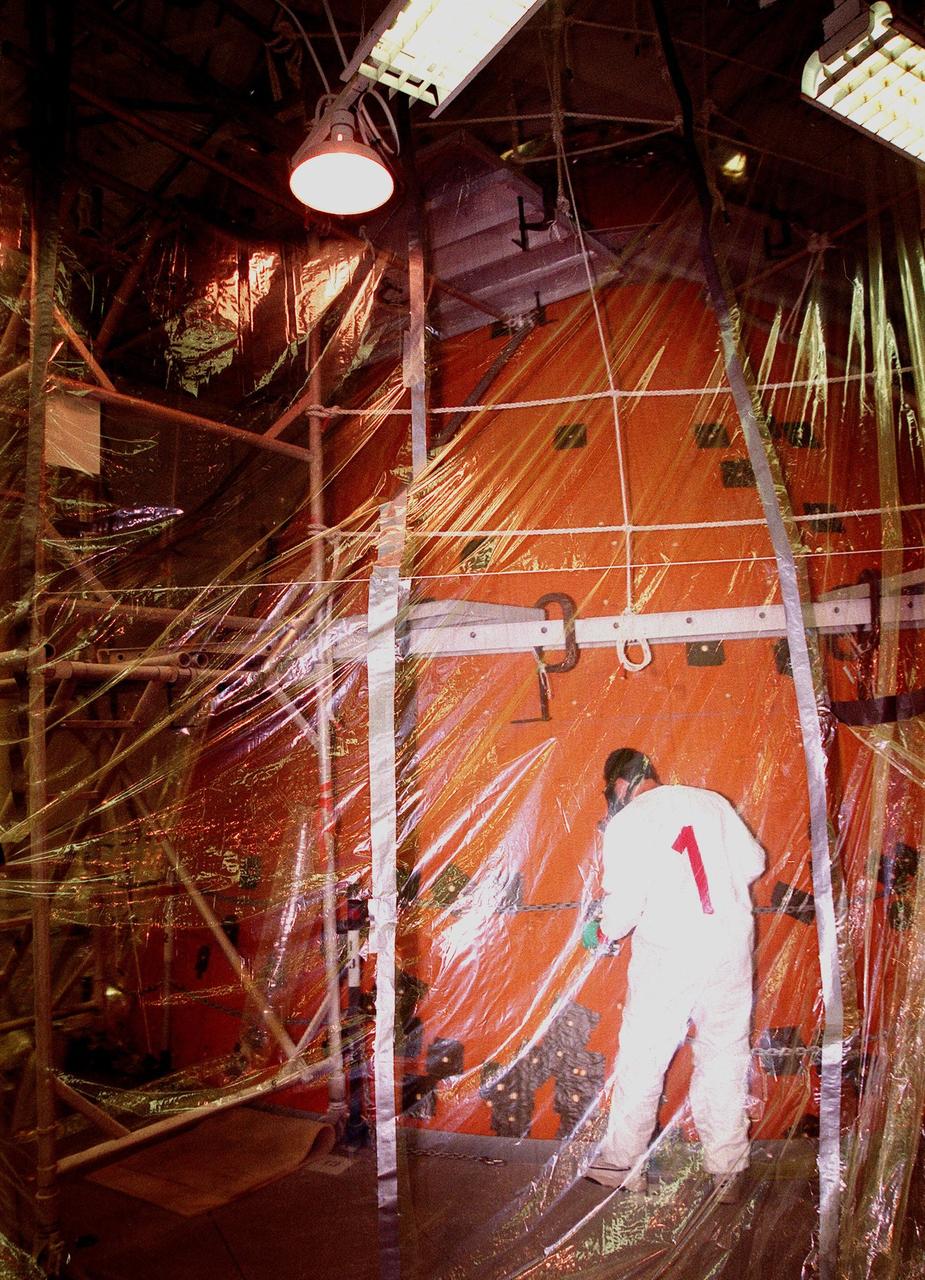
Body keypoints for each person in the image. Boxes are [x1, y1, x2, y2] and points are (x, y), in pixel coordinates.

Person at [583, 748, 765, 1202]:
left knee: (644, 1059)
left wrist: (599, 932)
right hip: (728, 949)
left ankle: (622, 1164)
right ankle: (726, 1171)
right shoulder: (711, 802)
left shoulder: (628, 822)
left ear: (619, 786)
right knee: (724, 1057)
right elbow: (755, 863)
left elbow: (623, 908)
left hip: (670, 955)